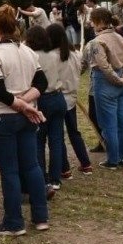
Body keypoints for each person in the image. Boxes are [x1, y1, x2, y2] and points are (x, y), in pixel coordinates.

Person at [0, 4, 49, 236]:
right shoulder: (29, 52)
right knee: (32, 166)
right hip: (26, 116)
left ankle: (14, 222)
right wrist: (26, 104)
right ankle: (41, 217)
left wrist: (20, 103)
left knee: (9, 170)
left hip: (3, 118)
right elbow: (41, 84)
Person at [84, 8, 123, 169]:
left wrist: (117, 79)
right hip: (121, 83)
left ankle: (113, 160)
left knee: (108, 124)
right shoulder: (121, 38)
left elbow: (104, 66)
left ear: (99, 22)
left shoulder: (96, 42)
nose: (90, 24)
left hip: (105, 84)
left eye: (92, 21)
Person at [46, 24, 92, 176]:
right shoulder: (75, 54)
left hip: (59, 97)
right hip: (71, 96)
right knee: (73, 132)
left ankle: (64, 169)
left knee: (58, 135)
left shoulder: (53, 56)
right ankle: (85, 163)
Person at [26, 25, 67, 192]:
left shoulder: (31, 57)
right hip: (58, 97)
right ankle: (56, 178)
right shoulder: (54, 55)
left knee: (39, 141)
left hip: (42, 98)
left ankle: (43, 178)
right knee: (57, 140)